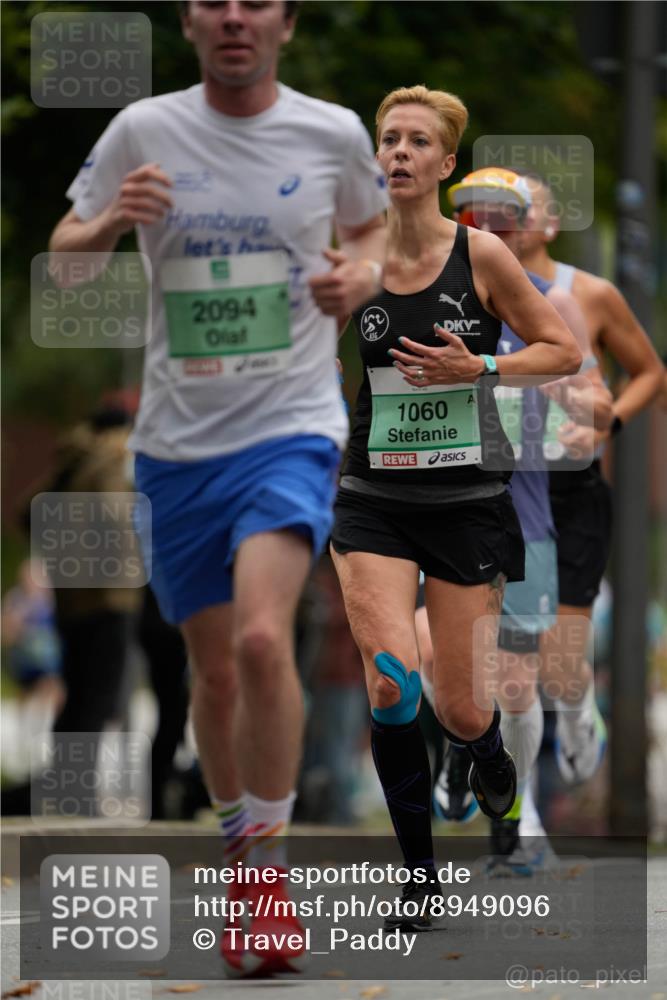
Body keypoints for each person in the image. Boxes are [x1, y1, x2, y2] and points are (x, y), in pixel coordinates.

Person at [49, 0, 387, 979]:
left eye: (256, 3)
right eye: (215, 3)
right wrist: (110, 220)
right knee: (216, 673)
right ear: (190, 23)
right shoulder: (142, 128)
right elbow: (65, 268)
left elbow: (372, 236)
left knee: (259, 638)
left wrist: (359, 281)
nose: (235, 17)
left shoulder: (332, 132)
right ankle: (240, 844)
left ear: (285, 23)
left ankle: (266, 877)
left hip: (291, 427)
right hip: (176, 446)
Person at [330, 87, 581, 929]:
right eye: (388, 139)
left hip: (466, 502)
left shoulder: (482, 256)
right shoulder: (349, 254)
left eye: (416, 142)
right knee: (390, 682)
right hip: (372, 498)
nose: (398, 152)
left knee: (462, 706)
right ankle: (418, 879)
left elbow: (560, 349)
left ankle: (486, 754)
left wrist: (480, 368)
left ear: (444, 164)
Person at [421, 167, 613, 874]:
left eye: (505, 217)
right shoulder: (426, 294)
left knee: (517, 682)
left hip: (521, 517)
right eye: (475, 216)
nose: (490, 228)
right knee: (435, 660)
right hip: (433, 509)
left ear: (527, 228)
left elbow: (593, 395)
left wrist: (583, 418)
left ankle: (515, 822)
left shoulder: (546, 303)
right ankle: (463, 744)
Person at [513, 173, 663, 787]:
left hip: (569, 489)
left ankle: (577, 708)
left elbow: (650, 373)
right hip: (499, 489)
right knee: (503, 659)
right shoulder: (468, 289)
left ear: (551, 224)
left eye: (522, 209)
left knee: (558, 665)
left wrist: (608, 426)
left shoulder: (589, 294)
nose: (505, 219)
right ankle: (505, 800)